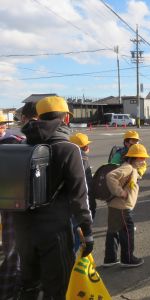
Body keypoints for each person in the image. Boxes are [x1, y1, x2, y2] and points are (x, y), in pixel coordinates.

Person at [14, 96, 94, 299]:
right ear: (66, 118)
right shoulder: (69, 149)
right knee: (58, 288)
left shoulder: (22, 146)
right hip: (55, 231)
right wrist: (87, 230)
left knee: (29, 285)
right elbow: (80, 196)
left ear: (39, 118)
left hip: (23, 229)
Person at [104, 144, 150, 268]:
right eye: (142, 158)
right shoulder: (128, 168)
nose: (144, 161)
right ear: (134, 158)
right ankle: (128, 258)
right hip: (122, 207)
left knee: (113, 232)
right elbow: (110, 176)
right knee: (127, 232)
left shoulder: (131, 168)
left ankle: (110, 258)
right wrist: (120, 192)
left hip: (116, 205)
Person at [0, 114, 23, 300]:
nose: (2, 128)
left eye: (3, 124)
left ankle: (8, 289)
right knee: (12, 251)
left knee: (12, 250)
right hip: (9, 202)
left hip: (9, 200)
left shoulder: (11, 142)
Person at [69, 133, 96, 219]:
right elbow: (85, 181)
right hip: (83, 196)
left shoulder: (69, 157)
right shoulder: (83, 159)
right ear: (85, 147)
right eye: (87, 144)